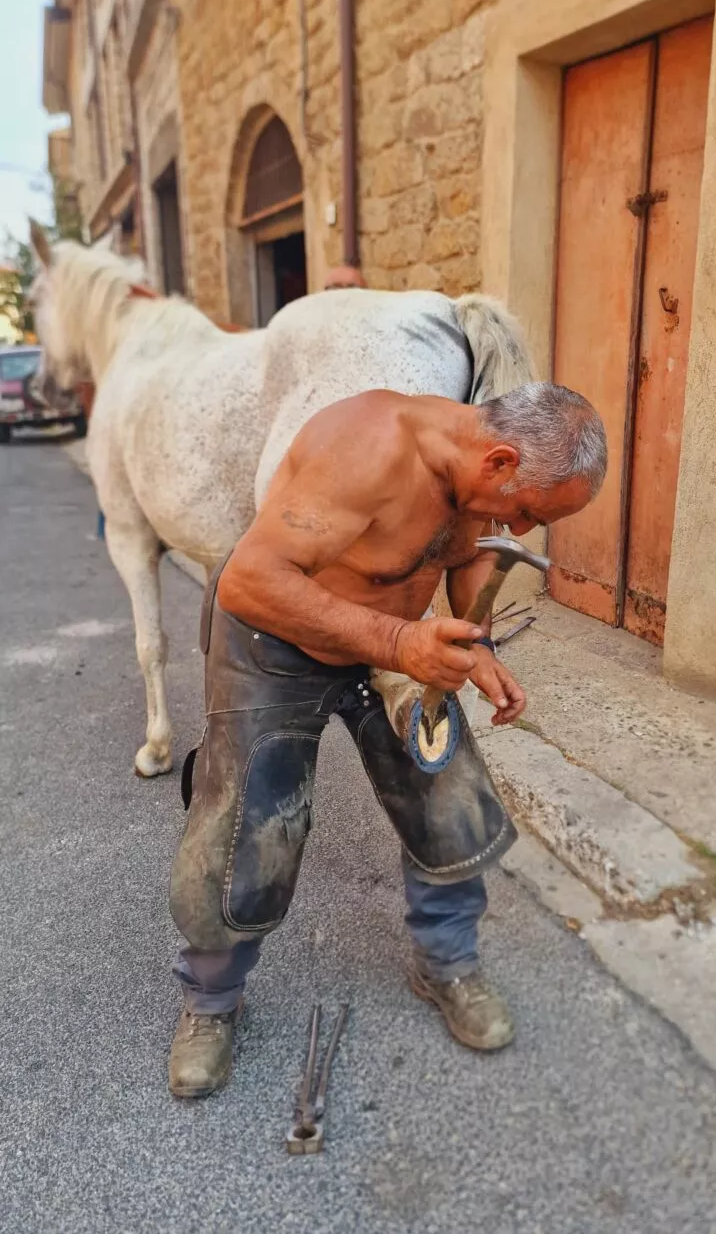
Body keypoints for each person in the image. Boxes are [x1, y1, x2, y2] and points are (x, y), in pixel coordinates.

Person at [167, 381, 607, 1098]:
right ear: (499, 461)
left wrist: (479, 641)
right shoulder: (367, 448)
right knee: (250, 817)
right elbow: (250, 581)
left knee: (448, 792)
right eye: (527, 511)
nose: (521, 530)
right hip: (275, 634)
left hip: (392, 645)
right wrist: (402, 639)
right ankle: (211, 999)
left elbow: (471, 549)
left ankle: (446, 963)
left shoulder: (479, 479)